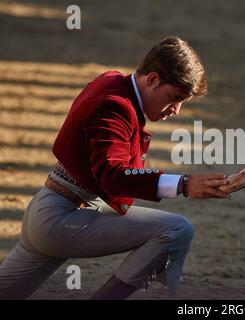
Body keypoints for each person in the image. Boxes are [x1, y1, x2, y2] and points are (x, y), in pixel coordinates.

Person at [0, 36, 232, 300]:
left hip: (48, 208)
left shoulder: (110, 81)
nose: (176, 110)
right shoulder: (115, 105)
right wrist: (184, 184)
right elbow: (112, 174)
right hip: (63, 217)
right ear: (153, 79)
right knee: (176, 229)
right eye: (174, 97)